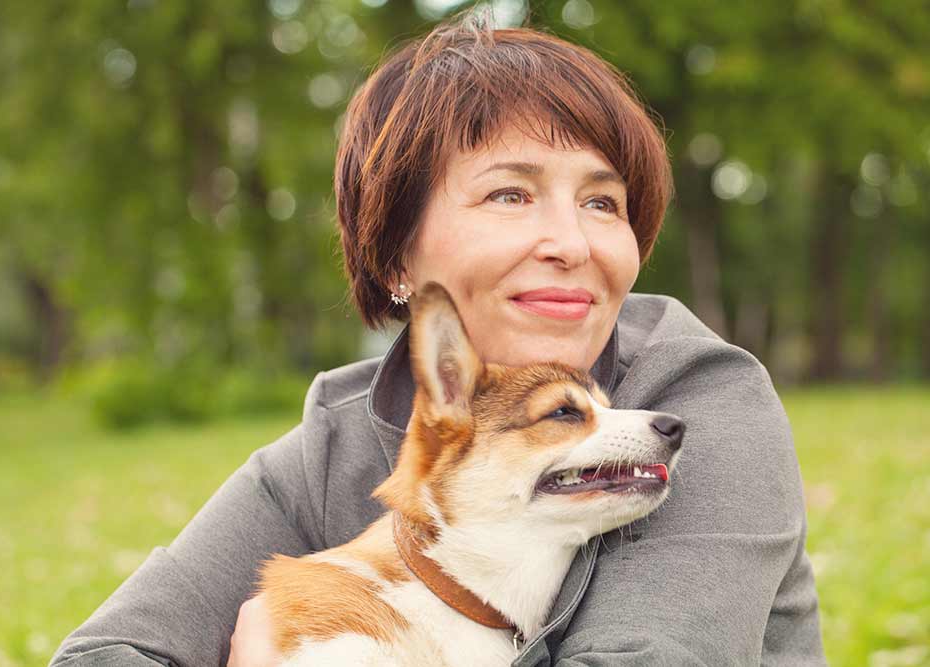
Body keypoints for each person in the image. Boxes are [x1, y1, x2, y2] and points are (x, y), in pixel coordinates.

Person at [50, 12, 826, 667]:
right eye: (510, 193)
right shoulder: (341, 436)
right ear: (396, 254)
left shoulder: (697, 404)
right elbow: (110, 650)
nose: (571, 241)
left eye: (602, 201)